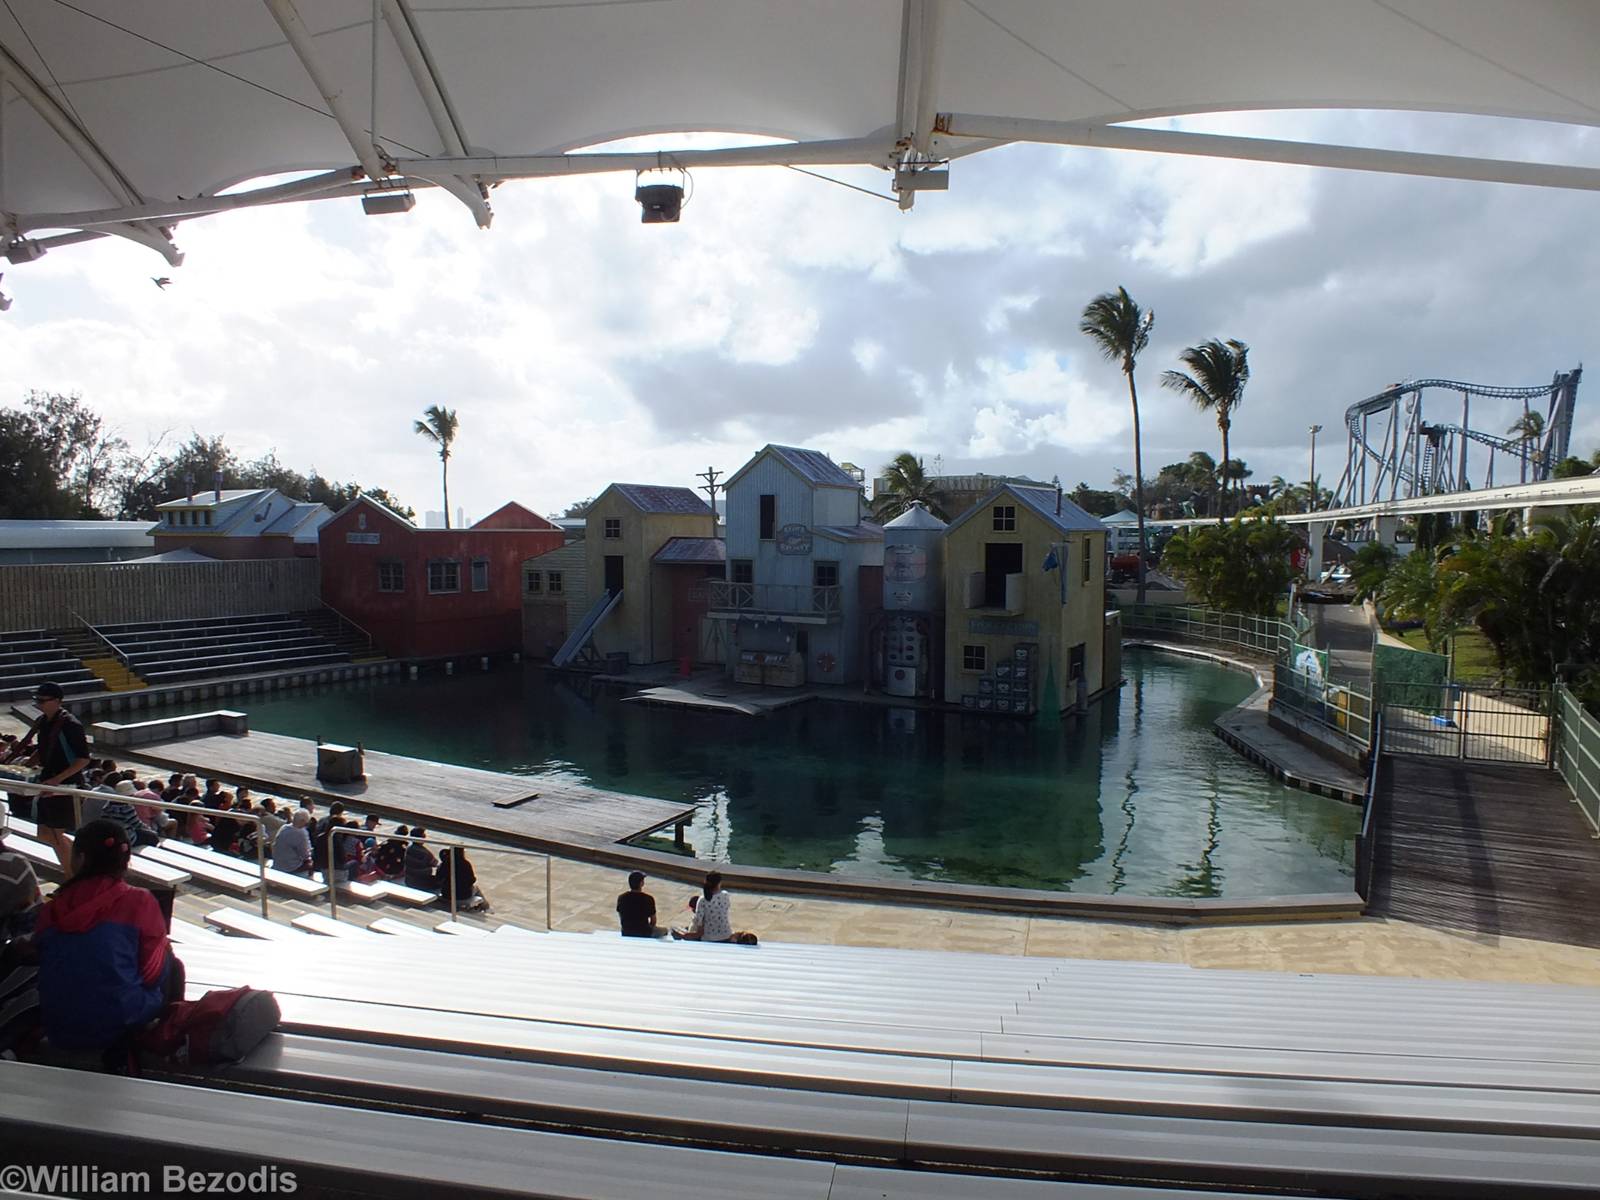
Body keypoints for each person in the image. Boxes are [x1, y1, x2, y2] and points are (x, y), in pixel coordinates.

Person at [31, 820, 185, 1056]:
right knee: (171, 961)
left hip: (59, 1026)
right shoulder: (140, 901)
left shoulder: (55, 906)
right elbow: (152, 975)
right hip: (119, 1024)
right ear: (125, 860)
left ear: (81, 859)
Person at [22, 682, 92, 871]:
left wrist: (58, 779)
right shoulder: (45, 721)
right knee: (45, 833)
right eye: (37, 700)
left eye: (43, 700)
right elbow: (44, 748)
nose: (39, 704)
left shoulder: (70, 724)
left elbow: (83, 759)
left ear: (57, 701)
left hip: (65, 786)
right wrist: (28, 763)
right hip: (49, 783)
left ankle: (74, 878)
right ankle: (74, 874)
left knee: (55, 834)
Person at [673, 871, 733, 943]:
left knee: (678, 930)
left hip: (709, 939)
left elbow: (699, 932)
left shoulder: (702, 900)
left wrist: (683, 935)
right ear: (719, 883)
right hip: (727, 935)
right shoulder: (726, 895)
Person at [616, 871, 661, 938]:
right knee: (665, 931)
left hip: (627, 931)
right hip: (644, 932)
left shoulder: (622, 898)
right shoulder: (648, 899)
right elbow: (653, 921)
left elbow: (621, 916)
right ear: (641, 883)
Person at [272, 809, 313, 874]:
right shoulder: (300, 833)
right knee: (312, 863)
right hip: (290, 867)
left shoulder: (284, 827)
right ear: (302, 821)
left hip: (277, 864)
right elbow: (305, 854)